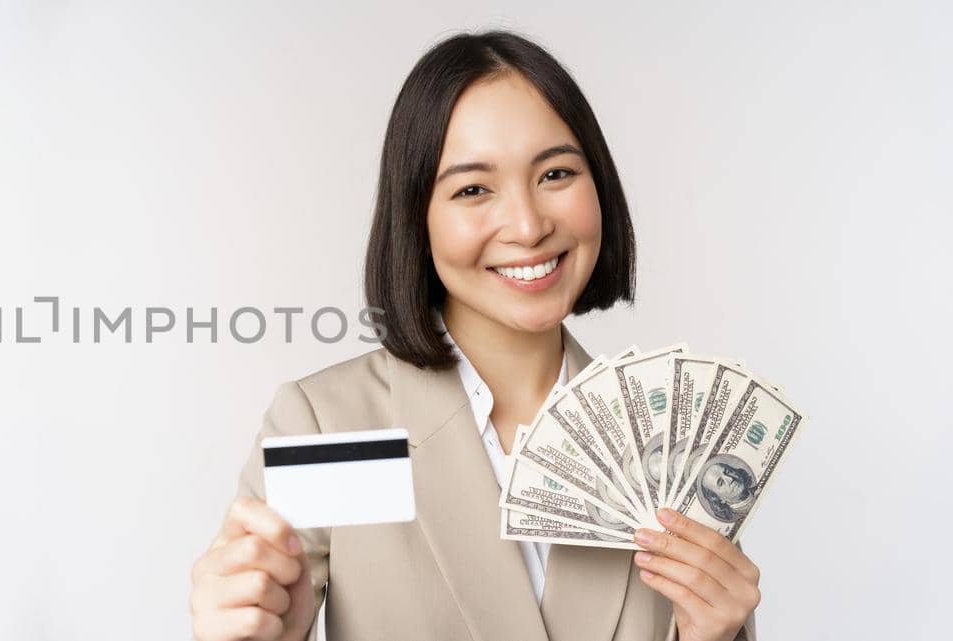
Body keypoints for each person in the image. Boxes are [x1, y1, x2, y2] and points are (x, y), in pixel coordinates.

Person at [189, 31, 761, 641]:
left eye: (557, 173)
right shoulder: (330, 424)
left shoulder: (670, 442)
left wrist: (716, 637)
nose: (528, 224)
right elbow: (262, 611)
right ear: (417, 218)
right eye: (472, 189)